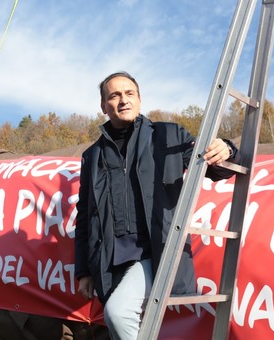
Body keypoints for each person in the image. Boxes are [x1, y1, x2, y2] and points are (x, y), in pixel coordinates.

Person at [74, 71, 239, 339]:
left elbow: (212, 167)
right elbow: (84, 216)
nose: (123, 100)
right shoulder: (92, 156)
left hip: (155, 254)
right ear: (103, 106)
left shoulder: (168, 135)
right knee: (124, 325)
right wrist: (83, 270)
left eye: (129, 94)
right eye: (114, 95)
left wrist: (227, 150)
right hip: (109, 262)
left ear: (139, 100)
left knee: (119, 313)